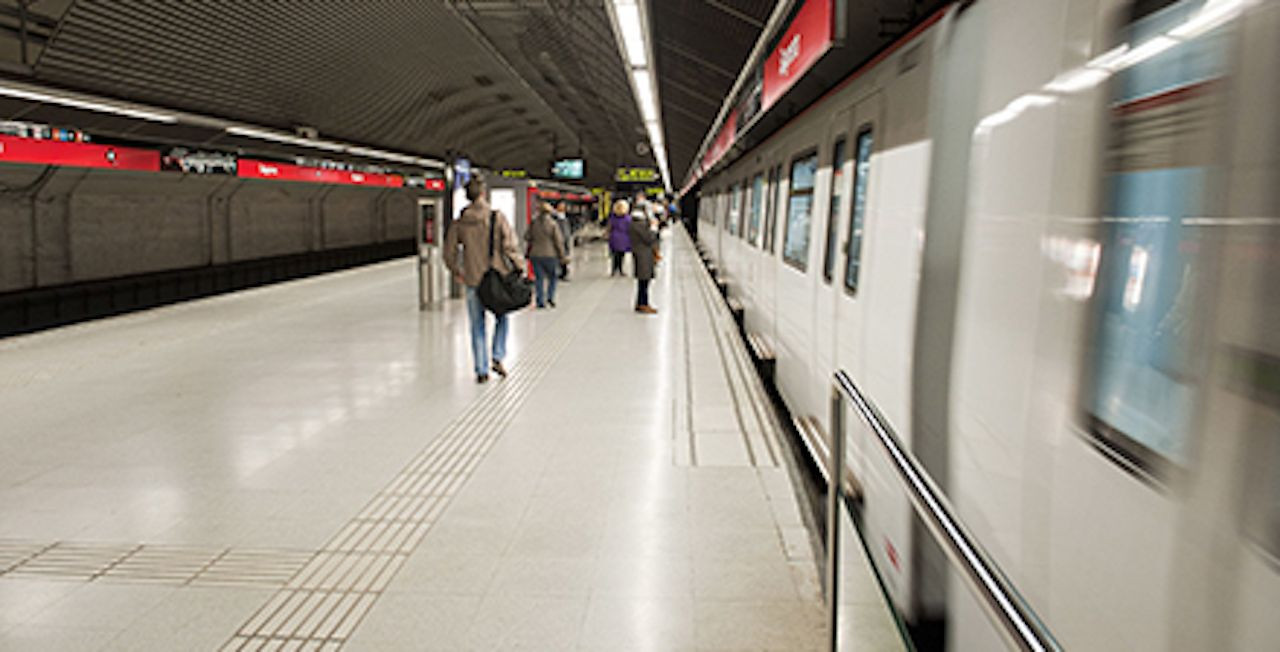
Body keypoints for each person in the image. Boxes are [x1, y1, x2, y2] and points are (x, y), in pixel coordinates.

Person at [443, 176, 525, 383]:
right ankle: (497, 356)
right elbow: (510, 246)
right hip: (496, 277)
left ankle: (481, 370)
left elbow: (449, 252)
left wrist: (457, 271)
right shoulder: (497, 217)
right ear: (483, 193)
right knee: (502, 317)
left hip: (472, 279)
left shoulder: (460, 222)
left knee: (476, 325)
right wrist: (520, 266)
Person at [526, 201, 568, 309]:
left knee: (539, 278)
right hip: (550, 255)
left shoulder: (533, 223)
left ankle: (540, 301)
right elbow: (558, 241)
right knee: (553, 277)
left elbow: (527, 236)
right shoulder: (553, 224)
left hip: (535, 255)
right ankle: (550, 297)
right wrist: (563, 256)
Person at [630, 204, 660, 314]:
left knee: (643, 282)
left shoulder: (635, 222)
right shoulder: (639, 224)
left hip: (641, 254)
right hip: (644, 255)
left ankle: (640, 303)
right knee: (644, 281)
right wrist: (654, 228)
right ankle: (644, 304)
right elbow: (649, 238)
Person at [608, 199, 632, 276]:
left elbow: (610, 227)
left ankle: (614, 270)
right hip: (624, 238)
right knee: (621, 255)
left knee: (614, 255)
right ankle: (621, 270)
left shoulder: (613, 217)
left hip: (614, 237)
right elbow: (630, 228)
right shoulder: (628, 218)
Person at [553, 201, 572, 281]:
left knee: (564, 256)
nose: (563, 207)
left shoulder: (565, 218)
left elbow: (567, 229)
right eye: (561, 206)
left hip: (565, 240)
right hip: (558, 240)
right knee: (558, 256)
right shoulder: (554, 218)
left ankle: (563, 273)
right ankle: (559, 273)